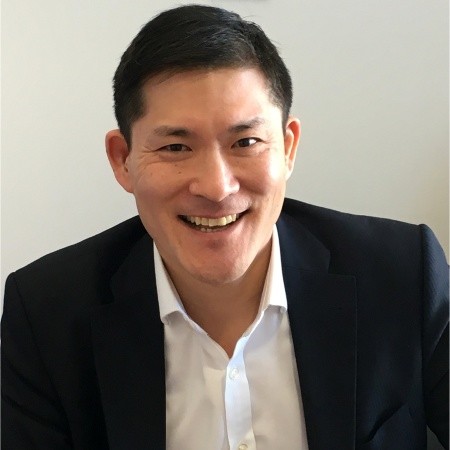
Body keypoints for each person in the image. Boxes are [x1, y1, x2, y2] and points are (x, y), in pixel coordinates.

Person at [1, 4, 448, 450]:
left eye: (245, 142)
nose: (217, 188)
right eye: (176, 147)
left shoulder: (403, 274)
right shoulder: (46, 316)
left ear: (288, 148)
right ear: (123, 159)